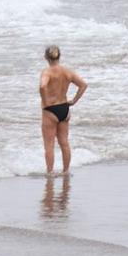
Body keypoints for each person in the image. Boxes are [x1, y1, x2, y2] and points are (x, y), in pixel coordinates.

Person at [37, 44, 88, 176]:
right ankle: (66, 171)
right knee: (64, 143)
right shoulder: (67, 71)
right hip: (64, 109)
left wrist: (45, 100)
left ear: (46, 57)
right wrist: (74, 101)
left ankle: (50, 173)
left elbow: (43, 86)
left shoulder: (46, 72)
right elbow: (83, 85)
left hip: (50, 110)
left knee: (49, 145)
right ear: (59, 56)